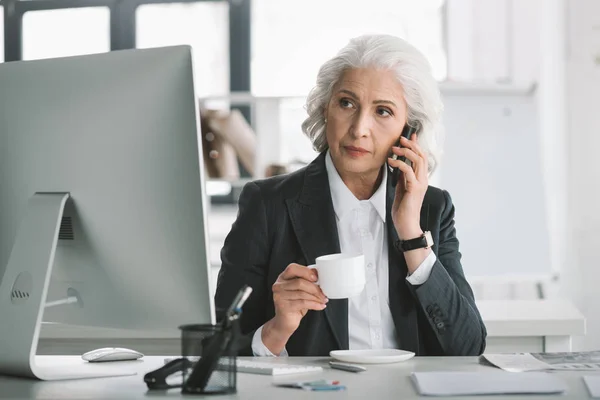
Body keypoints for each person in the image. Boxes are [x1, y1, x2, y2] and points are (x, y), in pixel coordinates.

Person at [214, 34, 486, 357]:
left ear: (408, 133)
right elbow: (219, 347)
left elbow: (468, 348)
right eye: (347, 103)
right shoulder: (266, 205)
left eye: (383, 111)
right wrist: (276, 330)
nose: (359, 128)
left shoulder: (432, 209)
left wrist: (411, 235)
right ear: (325, 109)